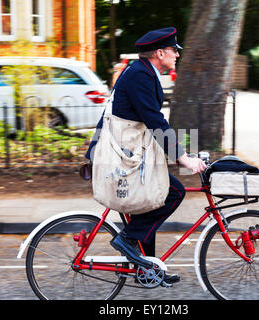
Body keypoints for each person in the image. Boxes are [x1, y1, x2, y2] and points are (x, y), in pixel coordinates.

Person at [86, 27, 206, 285]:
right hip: (126, 159)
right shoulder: (141, 75)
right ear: (160, 52)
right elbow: (154, 121)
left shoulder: (141, 72)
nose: (177, 55)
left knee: (149, 202)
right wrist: (183, 158)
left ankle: (146, 269)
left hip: (132, 153)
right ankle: (127, 239)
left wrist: (182, 152)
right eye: (174, 51)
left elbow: (150, 120)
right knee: (172, 193)